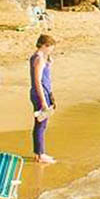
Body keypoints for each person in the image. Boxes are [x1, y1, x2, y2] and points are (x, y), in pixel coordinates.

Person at [29, 35, 57, 164]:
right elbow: (37, 82)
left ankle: (38, 153)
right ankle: (40, 154)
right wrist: (43, 102)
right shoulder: (39, 59)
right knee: (41, 125)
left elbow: (44, 76)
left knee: (41, 124)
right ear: (45, 46)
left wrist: (49, 64)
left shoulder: (38, 58)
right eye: (50, 48)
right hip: (40, 94)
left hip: (43, 93)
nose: (51, 50)